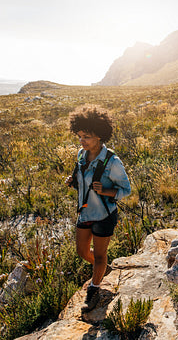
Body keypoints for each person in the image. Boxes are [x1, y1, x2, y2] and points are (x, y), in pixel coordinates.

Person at [65, 105, 131, 312]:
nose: (82, 141)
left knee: (100, 256)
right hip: (85, 211)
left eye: (87, 137)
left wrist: (106, 191)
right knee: (83, 251)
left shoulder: (112, 161)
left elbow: (126, 190)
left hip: (104, 215)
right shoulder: (81, 155)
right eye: (80, 136)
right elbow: (82, 179)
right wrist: (74, 180)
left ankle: (94, 290)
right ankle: (102, 269)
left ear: (100, 136)